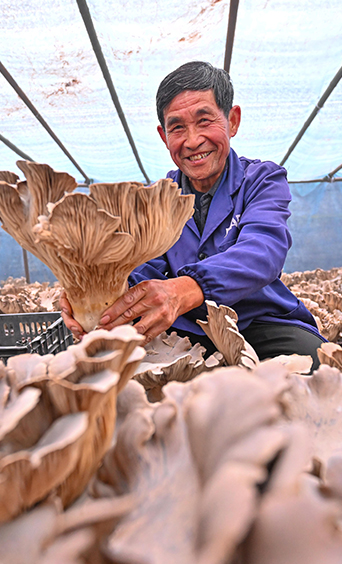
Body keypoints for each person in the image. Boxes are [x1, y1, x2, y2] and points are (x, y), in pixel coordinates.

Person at [60, 60, 325, 368]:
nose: (192, 140)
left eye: (204, 121)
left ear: (232, 121)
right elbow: (141, 266)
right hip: (182, 330)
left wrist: (188, 288)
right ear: (163, 136)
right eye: (177, 128)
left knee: (315, 366)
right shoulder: (157, 200)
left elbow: (263, 250)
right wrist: (94, 290)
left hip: (259, 322)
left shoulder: (261, 180)